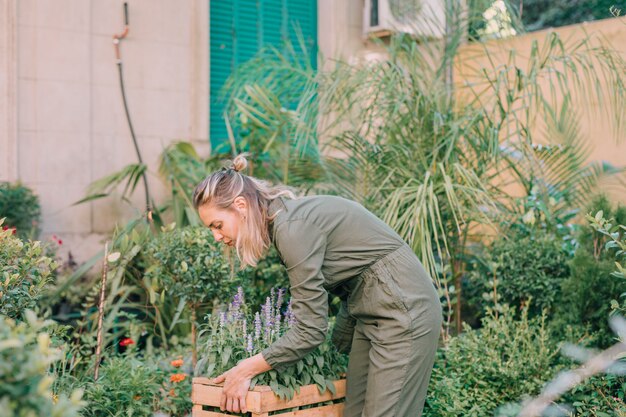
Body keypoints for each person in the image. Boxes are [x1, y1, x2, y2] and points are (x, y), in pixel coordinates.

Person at [193, 154, 442, 417]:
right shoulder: (283, 224)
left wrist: (245, 369)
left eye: (217, 225)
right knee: (354, 411)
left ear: (240, 205)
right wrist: (336, 351)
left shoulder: (292, 229)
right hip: (370, 313)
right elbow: (353, 285)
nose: (217, 236)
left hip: (404, 308)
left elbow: (310, 329)